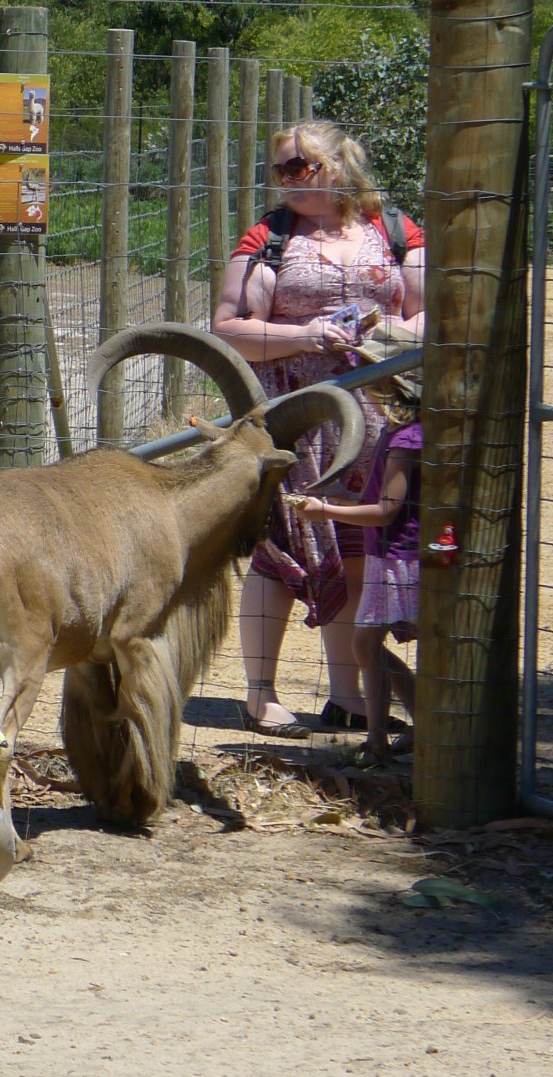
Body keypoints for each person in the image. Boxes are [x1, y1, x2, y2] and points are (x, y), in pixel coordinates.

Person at [210, 121, 425, 739]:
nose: (284, 180)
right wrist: (306, 335)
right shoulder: (267, 237)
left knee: (356, 547)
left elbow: (429, 310)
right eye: (279, 169)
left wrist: (390, 339)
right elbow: (227, 327)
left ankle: (347, 694)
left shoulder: (396, 230)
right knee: (283, 547)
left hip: (384, 413)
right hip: (297, 415)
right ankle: (260, 695)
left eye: (296, 166)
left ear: (338, 164)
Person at [291, 372, 422, 760]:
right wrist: (334, 494)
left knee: (366, 644)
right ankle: (401, 731)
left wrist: (326, 511)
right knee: (368, 646)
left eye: (371, 382)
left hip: (400, 558)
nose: (364, 390)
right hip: (385, 555)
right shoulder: (392, 431)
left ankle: (380, 740)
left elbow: (387, 511)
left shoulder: (405, 439)